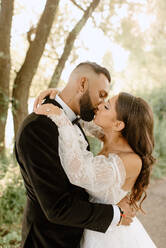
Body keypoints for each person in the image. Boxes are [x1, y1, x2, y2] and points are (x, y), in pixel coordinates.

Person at [15, 62, 135, 248]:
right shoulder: (37, 128)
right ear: (82, 84)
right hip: (47, 242)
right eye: (101, 95)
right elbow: (57, 208)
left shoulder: (73, 118)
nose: (102, 104)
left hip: (78, 238)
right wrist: (116, 214)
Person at [35, 91, 156, 247]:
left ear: (118, 124)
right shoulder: (108, 136)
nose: (99, 106)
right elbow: (79, 117)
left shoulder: (131, 160)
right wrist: (60, 96)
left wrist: (60, 118)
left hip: (110, 236)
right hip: (94, 223)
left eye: (106, 106)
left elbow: (80, 173)